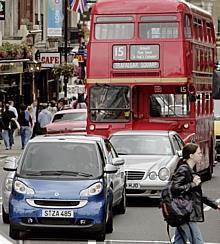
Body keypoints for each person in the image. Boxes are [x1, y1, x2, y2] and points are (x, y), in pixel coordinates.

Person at [171, 143, 220, 244]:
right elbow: (175, 188)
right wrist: (193, 184)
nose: (201, 155)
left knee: (179, 241)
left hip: (183, 211)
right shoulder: (184, 169)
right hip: (185, 212)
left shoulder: (189, 170)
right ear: (191, 156)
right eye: (199, 153)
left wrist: (215, 205)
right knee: (197, 240)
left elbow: (197, 194)